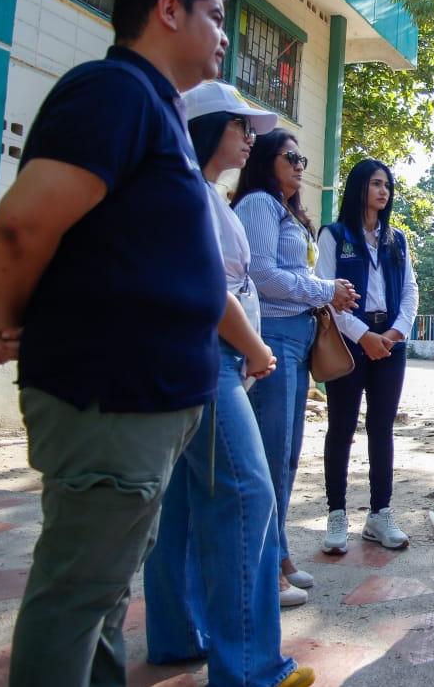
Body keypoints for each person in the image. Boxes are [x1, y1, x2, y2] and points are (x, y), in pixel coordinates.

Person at [0, 0, 311, 687]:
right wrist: (10, 322)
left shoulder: (147, 107)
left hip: (150, 397)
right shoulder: (113, 93)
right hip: (111, 397)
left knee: (102, 593)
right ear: (167, 10)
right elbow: (22, 229)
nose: (224, 37)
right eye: (216, 17)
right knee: (76, 596)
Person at [142, 81, 307, 685]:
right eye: (243, 127)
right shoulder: (191, 190)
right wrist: (256, 347)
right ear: (212, 128)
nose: (251, 139)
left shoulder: (201, 191)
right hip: (208, 359)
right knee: (247, 495)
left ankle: (179, 633)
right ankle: (251, 668)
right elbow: (214, 286)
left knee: (184, 503)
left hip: (201, 357)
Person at [234, 128, 357, 603]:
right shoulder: (260, 205)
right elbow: (261, 275)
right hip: (274, 336)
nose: (300, 164)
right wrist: (326, 290)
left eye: (303, 157)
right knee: (270, 455)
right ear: (267, 161)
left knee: (285, 455)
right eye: (290, 156)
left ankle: (279, 554)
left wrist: (325, 290)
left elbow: (294, 273)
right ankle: (264, 570)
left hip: (299, 336)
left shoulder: (289, 212)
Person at [314, 159, 419, 552]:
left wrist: (392, 334)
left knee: (382, 427)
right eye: (376, 183)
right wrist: (364, 335)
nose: (383, 191)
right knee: (341, 427)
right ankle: (337, 515)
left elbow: (410, 292)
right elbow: (326, 295)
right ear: (359, 187)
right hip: (348, 341)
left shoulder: (397, 240)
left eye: (387, 185)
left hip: (390, 343)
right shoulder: (334, 235)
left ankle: (380, 514)